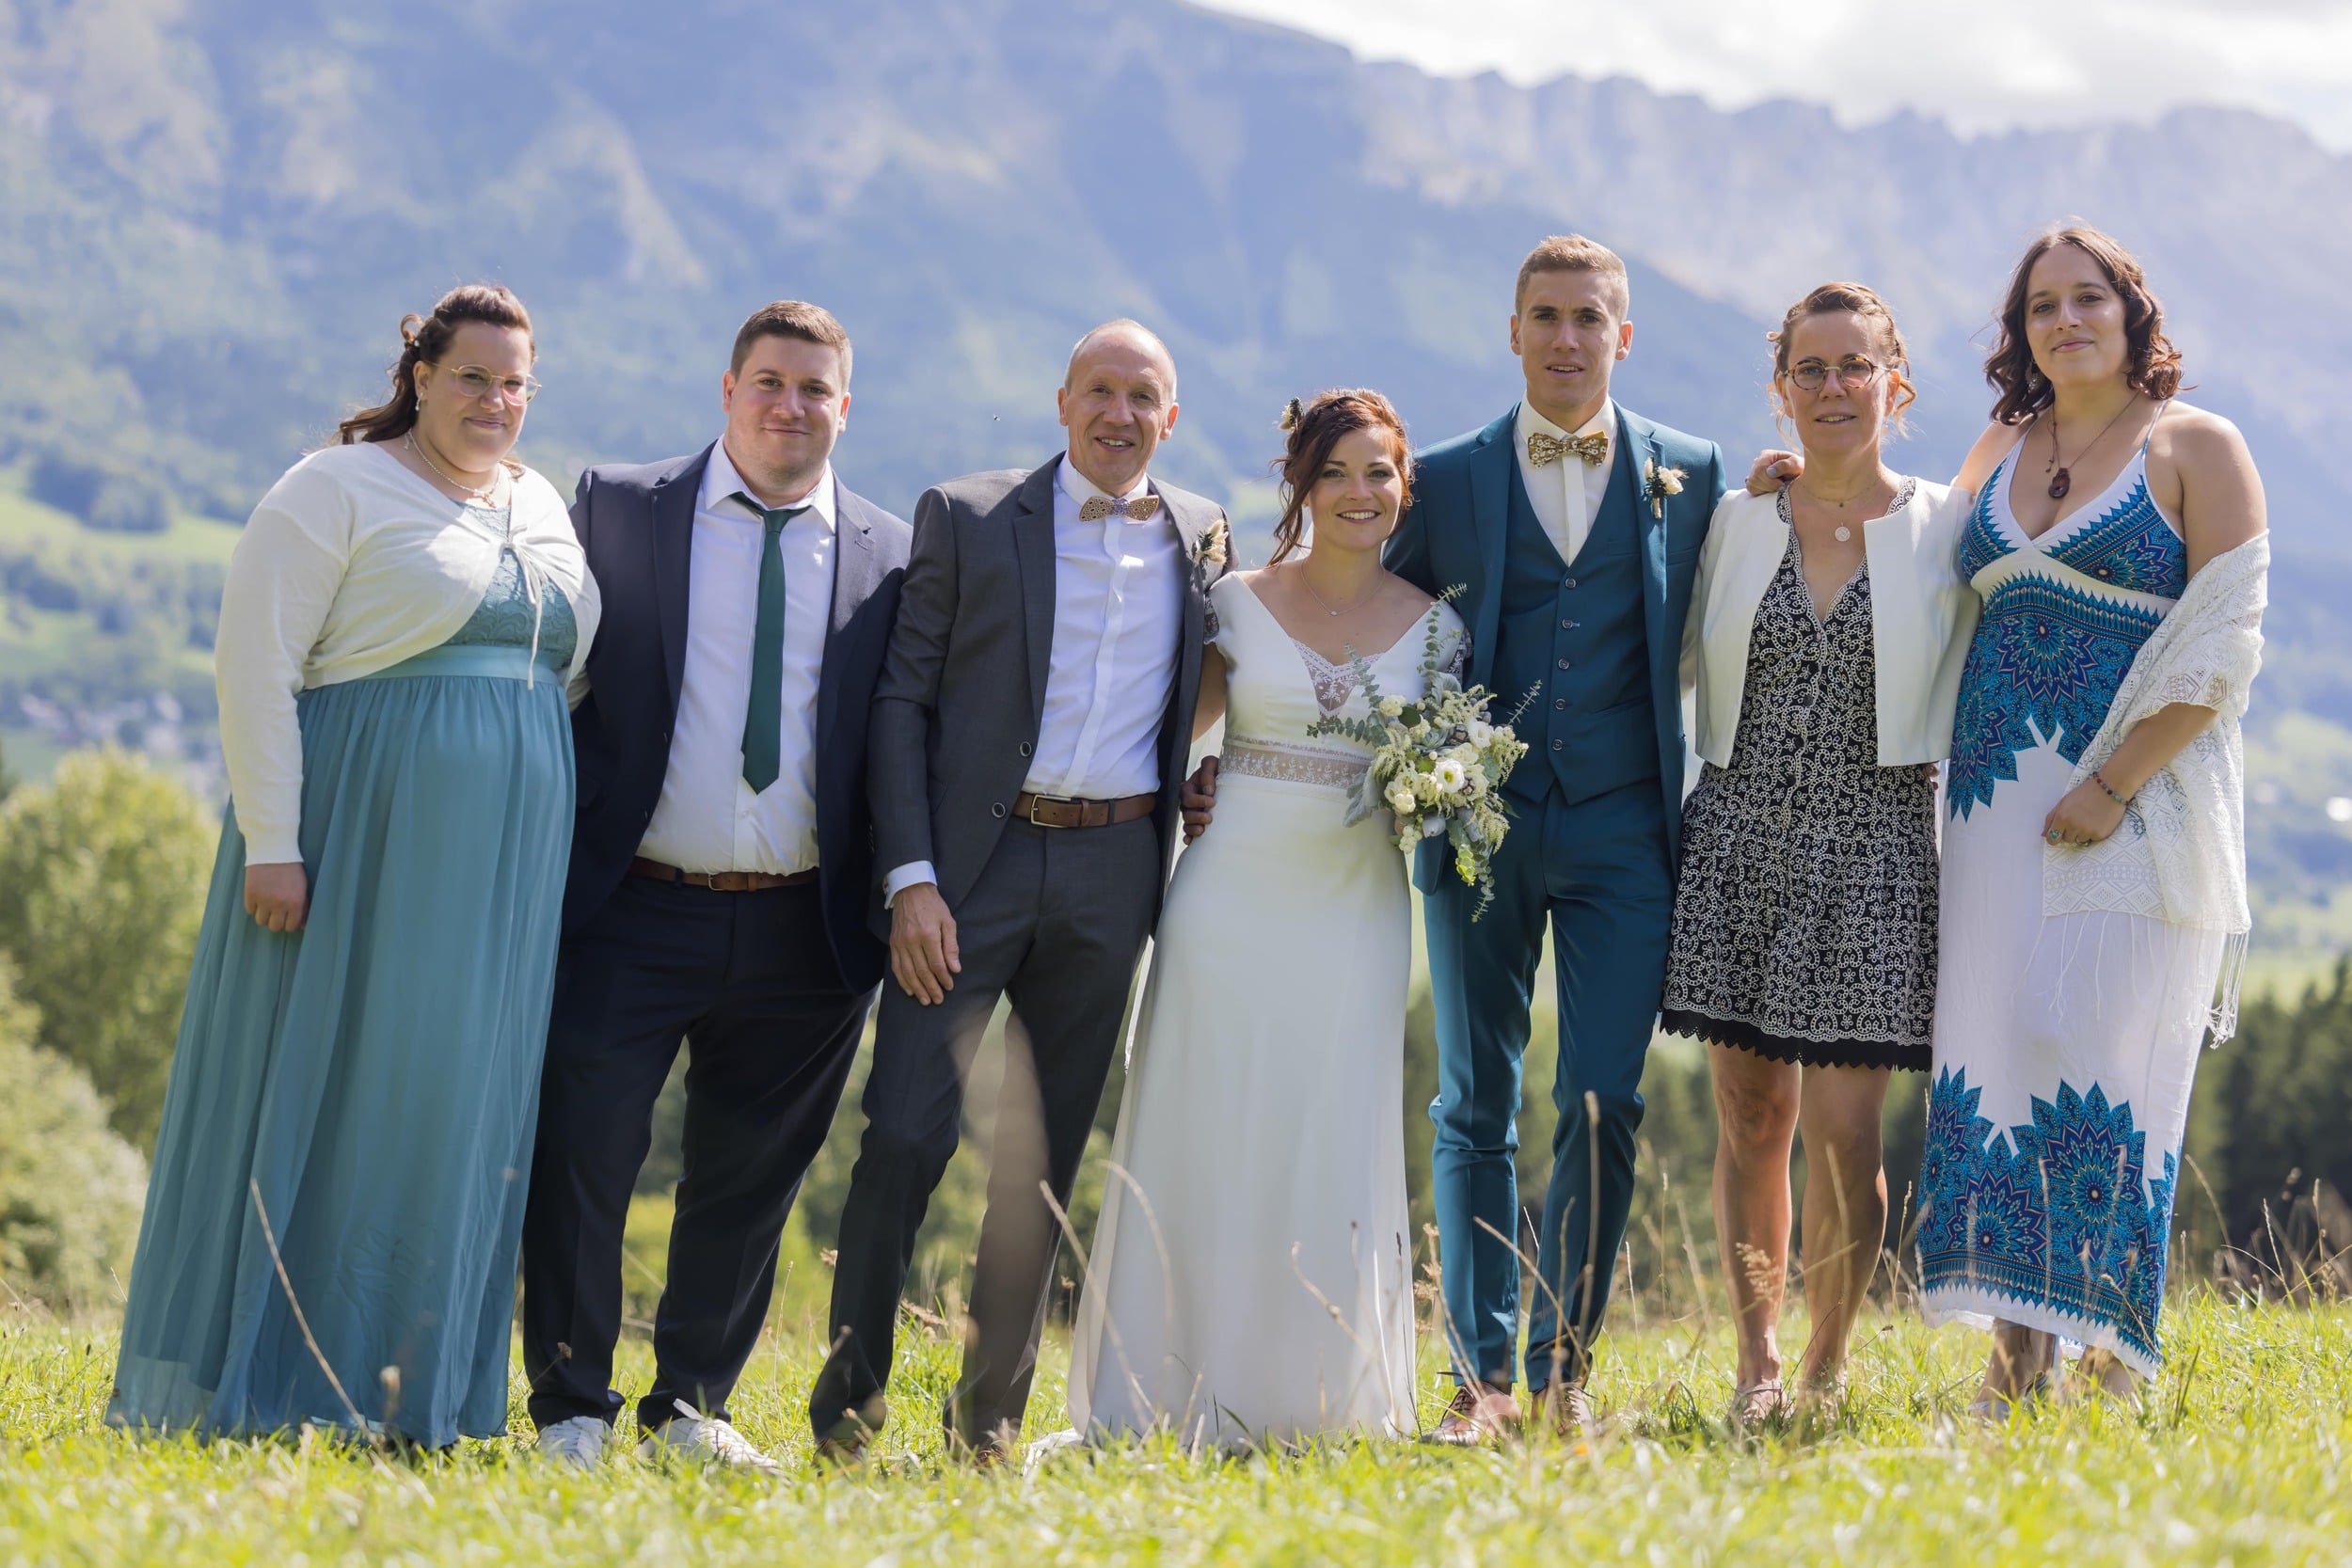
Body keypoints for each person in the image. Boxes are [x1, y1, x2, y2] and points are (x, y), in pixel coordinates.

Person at [1750, 226, 2266, 1412]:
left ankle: (2108, 1352)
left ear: (2132, 313)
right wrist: (1800, 481)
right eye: (2041, 304)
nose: (2064, 319)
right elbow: (1907, 552)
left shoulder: (2196, 445)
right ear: (2020, 329)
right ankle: (2017, 1357)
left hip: (2135, 803)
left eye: (2088, 298)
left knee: (2097, 1054)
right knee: (1995, 1050)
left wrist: (2114, 781)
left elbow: (2226, 642)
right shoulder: (1999, 444)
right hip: (1986, 808)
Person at [110, 285, 601, 1447]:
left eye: (516, 381)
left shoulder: (539, 500)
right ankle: (287, 1373)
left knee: (454, 1101)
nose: (496, 400)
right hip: (362, 833)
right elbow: (255, 667)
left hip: (504, 866)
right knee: (347, 1085)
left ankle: (416, 1388)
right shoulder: (331, 488)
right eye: (473, 375)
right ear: (419, 375)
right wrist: (274, 842)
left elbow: (563, 672)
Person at [809, 320, 1232, 1465]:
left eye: (1141, 396)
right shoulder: (969, 514)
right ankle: (846, 1417)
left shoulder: (1203, 531)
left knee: (1037, 1169)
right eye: (1099, 389)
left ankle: (988, 1428)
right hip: (963, 875)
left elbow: (1206, 686)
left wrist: (1202, 781)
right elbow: (902, 701)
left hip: (1114, 873)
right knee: (904, 1133)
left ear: (1170, 417)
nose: (1118, 414)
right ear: (1061, 401)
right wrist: (911, 877)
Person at [519, 302, 910, 1472]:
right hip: (629, 900)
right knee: (584, 1150)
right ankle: (571, 1407)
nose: (792, 405)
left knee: (749, 1175)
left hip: (806, 920)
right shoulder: (618, 507)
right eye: (770, 382)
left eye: (815, 388)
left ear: (846, 406)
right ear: (728, 388)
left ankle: (690, 1406)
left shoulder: (893, 553)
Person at [1064, 390, 1456, 1449]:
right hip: (1228, 901)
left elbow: (1446, 768)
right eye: (1335, 472)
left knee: (1327, 1128)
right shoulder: (1234, 603)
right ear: (1301, 486)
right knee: (1207, 1126)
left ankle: (1316, 1397)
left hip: (1356, 910)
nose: (1359, 492)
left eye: (1378, 472)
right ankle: (1164, 1392)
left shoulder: (1440, 630)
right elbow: (1156, 737)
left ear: (1404, 486)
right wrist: (1196, 781)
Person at [1385, 235, 1725, 1442]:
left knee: (1602, 1098)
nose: (1567, 337)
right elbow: (1372, 619)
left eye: (1589, 317)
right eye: (1546, 315)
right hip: (1478, 827)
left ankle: (1560, 1365)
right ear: (1513, 330)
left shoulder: (1695, 470)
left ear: (1623, 335)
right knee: (1473, 1099)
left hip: (1626, 827)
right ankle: (1479, 1379)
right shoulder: (1441, 480)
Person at [1669, 284, 1976, 1425]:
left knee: (1848, 1137)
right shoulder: (1735, 519)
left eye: (1857, 366)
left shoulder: (1945, 525)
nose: (1834, 386)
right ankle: (1755, 1360)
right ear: (1780, 387)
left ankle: (1824, 1363)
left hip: (1878, 846)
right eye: (1811, 367)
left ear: (1896, 384)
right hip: (1738, 837)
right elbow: (1671, 657)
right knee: (1752, 1120)